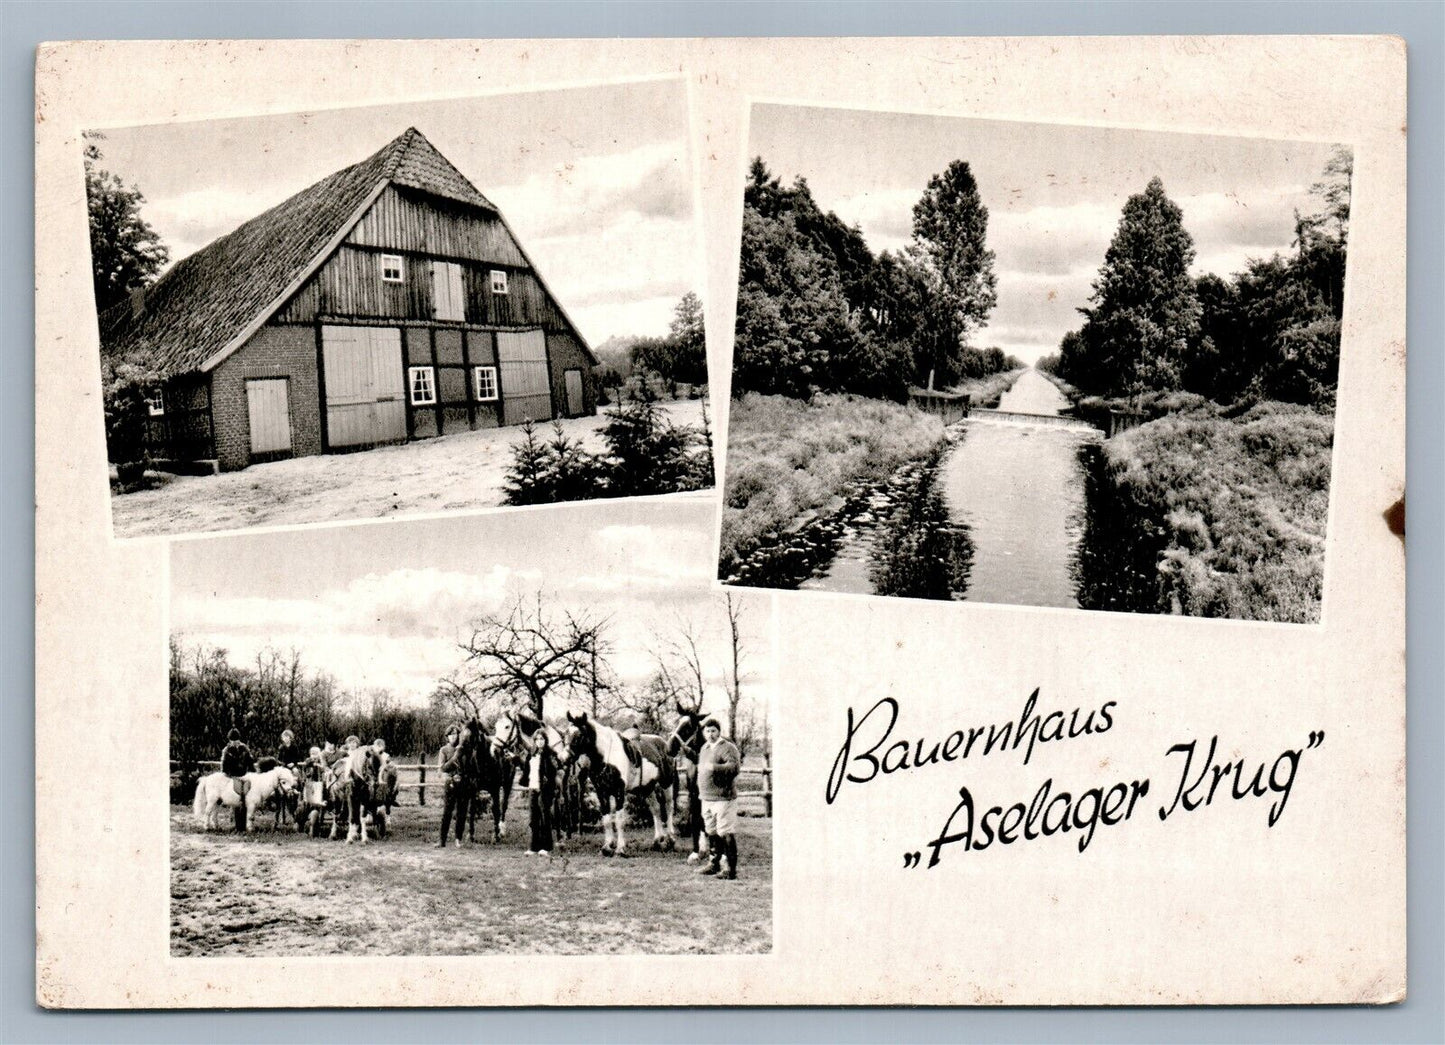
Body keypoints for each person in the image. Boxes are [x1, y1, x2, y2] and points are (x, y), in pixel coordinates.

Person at [696, 716, 742, 880]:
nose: (710, 734)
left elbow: (734, 767)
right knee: (711, 831)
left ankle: (730, 869)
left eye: (713, 731)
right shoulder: (704, 748)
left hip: (723, 798)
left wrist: (714, 767)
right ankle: (714, 864)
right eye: (707, 731)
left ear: (719, 731)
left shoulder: (727, 747)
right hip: (706, 798)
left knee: (725, 831)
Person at [436, 724, 474, 848]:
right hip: (450, 783)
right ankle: (442, 840)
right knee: (447, 812)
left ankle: (458, 839)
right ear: (447, 737)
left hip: (463, 784)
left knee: (461, 813)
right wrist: (455, 757)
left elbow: (470, 767)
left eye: (455, 734)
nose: (453, 737)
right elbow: (442, 769)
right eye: (450, 735)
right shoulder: (444, 750)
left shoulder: (465, 749)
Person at [524, 729, 556, 857]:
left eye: (542, 739)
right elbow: (526, 769)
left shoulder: (550, 754)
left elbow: (553, 771)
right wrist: (515, 758)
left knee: (545, 818)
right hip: (533, 787)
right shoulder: (531, 753)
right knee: (533, 819)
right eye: (537, 739)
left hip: (544, 789)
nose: (539, 742)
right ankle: (534, 847)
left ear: (545, 740)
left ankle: (546, 847)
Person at [219, 727, 255, 833]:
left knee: (246, 799)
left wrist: (252, 774)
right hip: (232, 777)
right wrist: (228, 777)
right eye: (232, 740)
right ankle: (237, 826)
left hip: (244, 776)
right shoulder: (227, 750)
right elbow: (224, 766)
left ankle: (244, 825)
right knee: (236, 800)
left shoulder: (245, 749)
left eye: (236, 740)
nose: (235, 742)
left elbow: (250, 763)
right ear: (230, 740)